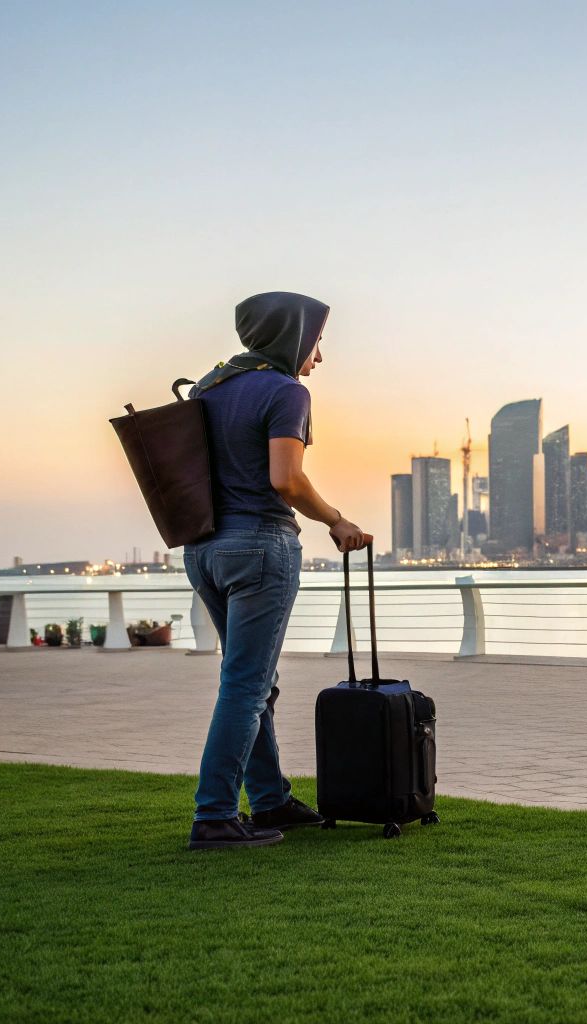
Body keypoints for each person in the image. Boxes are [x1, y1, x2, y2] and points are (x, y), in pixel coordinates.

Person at [183, 291, 372, 850]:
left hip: (204, 550)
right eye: (317, 341)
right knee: (246, 686)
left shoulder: (209, 388)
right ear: (293, 337)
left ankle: (270, 800)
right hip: (261, 546)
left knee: (251, 682)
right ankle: (214, 816)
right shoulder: (287, 391)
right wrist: (336, 520)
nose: (319, 356)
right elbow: (286, 479)